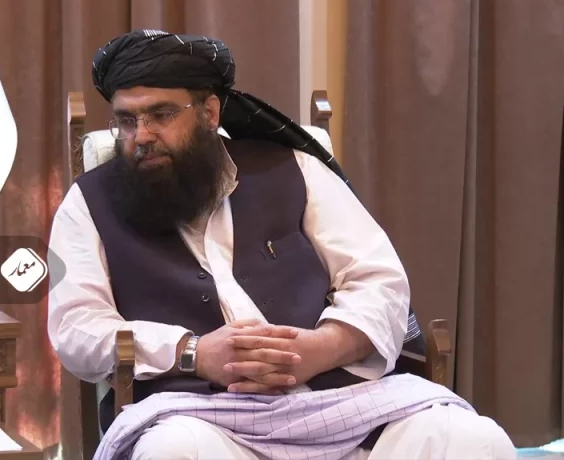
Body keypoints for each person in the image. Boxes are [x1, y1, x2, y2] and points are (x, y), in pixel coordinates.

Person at [47, 29, 516, 460]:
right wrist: (194, 353)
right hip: (201, 415)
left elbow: (378, 280)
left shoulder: (292, 167)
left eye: (161, 115)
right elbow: (76, 326)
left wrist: (324, 347)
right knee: (173, 452)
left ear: (210, 113)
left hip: (344, 402)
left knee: (475, 441)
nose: (142, 136)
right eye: (127, 120)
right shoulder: (88, 203)